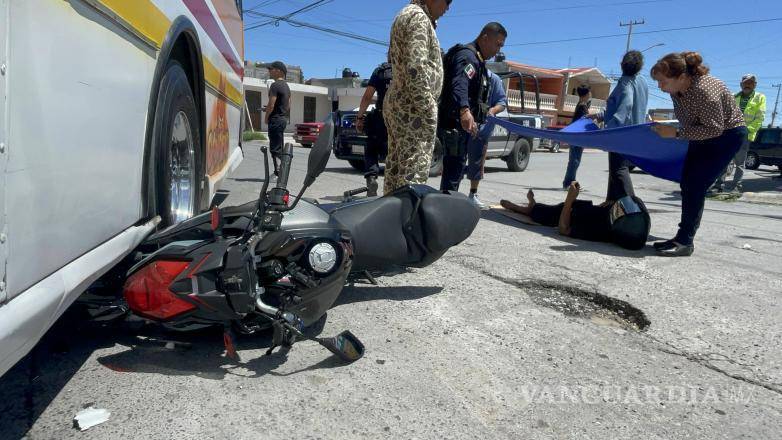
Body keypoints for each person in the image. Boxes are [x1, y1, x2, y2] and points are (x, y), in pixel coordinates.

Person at [650, 52, 746, 256]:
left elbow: (715, 129)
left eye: (663, 81)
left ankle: (685, 242)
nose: (659, 86)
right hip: (701, 131)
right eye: (658, 82)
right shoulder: (676, 90)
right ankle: (681, 238)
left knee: (695, 185)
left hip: (727, 135)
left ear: (682, 77)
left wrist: (676, 133)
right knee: (688, 183)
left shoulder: (704, 90)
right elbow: (690, 121)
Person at [383, 0, 451, 195]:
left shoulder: (405, 14)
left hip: (402, 101)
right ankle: (406, 214)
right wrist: (428, 108)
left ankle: (391, 212)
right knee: (412, 173)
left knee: (396, 168)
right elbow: (415, 67)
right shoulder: (419, 17)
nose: (447, 9)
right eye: (447, 2)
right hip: (413, 107)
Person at [439, 22, 507, 193]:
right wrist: (464, 110)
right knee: (453, 173)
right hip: (453, 124)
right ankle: (446, 206)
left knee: (456, 171)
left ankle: (447, 203)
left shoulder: (478, 60)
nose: (498, 50)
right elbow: (460, 83)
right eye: (497, 44)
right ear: (485, 38)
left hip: (462, 126)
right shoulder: (468, 56)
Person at [499, 182, 650, 250]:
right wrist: (610, 204)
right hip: (580, 208)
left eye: (619, 211)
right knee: (543, 209)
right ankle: (531, 204)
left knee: (535, 212)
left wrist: (569, 199)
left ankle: (521, 206)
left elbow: (563, 229)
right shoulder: (616, 220)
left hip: (564, 214)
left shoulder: (598, 232)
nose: (617, 209)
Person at [589, 51, 649, 201]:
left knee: (619, 171)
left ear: (622, 64)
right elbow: (621, 106)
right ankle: (610, 206)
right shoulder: (642, 82)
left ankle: (633, 208)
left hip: (620, 136)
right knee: (615, 174)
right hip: (635, 135)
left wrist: (607, 131)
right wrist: (599, 115)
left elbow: (626, 106)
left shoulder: (625, 82)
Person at [712, 74, 766, 193]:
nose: (748, 85)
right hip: (730, 133)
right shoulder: (733, 96)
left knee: (740, 163)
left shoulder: (760, 97)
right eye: (746, 83)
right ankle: (718, 185)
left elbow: (760, 118)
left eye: (750, 83)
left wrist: (747, 130)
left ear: (755, 85)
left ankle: (736, 186)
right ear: (741, 84)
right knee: (724, 159)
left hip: (745, 134)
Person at [464, 69, 507, 209]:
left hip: (481, 130)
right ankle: (450, 194)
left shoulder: (494, 79)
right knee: (456, 161)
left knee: (476, 164)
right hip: (463, 127)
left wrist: (492, 111)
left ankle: (472, 194)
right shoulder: (468, 72)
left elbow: (502, 102)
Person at [356, 62, 393, 196]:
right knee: (394, 153)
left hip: (381, 117)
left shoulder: (380, 71)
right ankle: (394, 188)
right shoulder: (406, 70)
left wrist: (360, 117)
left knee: (371, 149)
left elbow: (367, 96)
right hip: (400, 120)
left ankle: (371, 178)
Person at [562, 85, 592, 189]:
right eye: (589, 92)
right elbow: (584, 122)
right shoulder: (582, 106)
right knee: (574, 161)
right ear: (586, 94)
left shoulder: (582, 105)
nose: (590, 94)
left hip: (577, 137)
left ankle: (571, 182)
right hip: (577, 137)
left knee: (575, 161)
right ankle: (568, 183)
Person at [264, 61, 291, 176]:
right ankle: (280, 172)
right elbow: (288, 105)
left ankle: (278, 173)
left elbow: (271, 105)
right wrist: (281, 112)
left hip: (275, 120)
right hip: (282, 119)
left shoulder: (275, 85)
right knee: (279, 146)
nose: (269, 71)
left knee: (275, 148)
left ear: (279, 71)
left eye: (271, 69)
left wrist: (266, 117)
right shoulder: (286, 87)